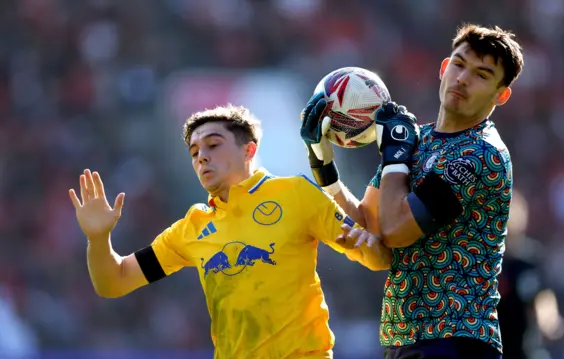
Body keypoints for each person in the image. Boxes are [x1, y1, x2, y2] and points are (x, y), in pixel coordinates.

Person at [68, 105, 392, 359]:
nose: (202, 157)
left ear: (249, 151)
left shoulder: (296, 194)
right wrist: (98, 239)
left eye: (213, 144)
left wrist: (368, 243)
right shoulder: (191, 228)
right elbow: (114, 281)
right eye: (194, 153)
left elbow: (377, 259)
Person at [300, 23, 524, 359]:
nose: (463, 79)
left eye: (481, 74)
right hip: (404, 339)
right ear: (444, 68)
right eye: (459, 65)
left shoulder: (481, 154)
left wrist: (394, 159)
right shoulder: (414, 139)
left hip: (457, 339)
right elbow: (372, 232)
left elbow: (394, 231)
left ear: (501, 94)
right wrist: (325, 169)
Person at [498, 189, 564, 359]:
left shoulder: (531, 258)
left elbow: (543, 298)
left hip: (525, 349)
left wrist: (549, 321)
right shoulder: (483, 259)